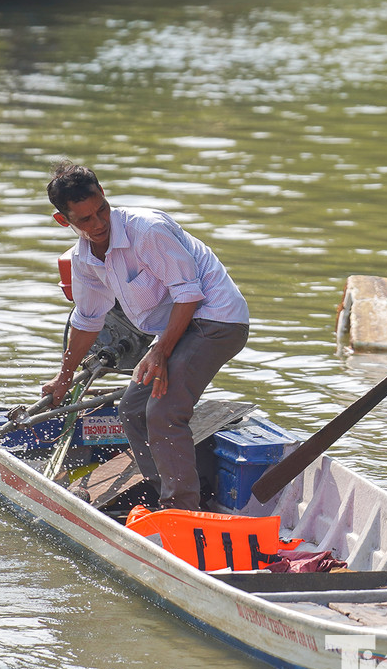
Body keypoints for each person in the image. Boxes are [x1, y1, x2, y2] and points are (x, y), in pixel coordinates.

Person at [42, 161, 251, 511]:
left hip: (216, 321)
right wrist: (63, 378)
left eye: (101, 212)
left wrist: (160, 352)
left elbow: (189, 294)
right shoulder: (84, 260)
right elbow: (88, 319)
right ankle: (165, 495)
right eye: (85, 220)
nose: (98, 224)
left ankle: (182, 510)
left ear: (104, 195)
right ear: (64, 221)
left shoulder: (148, 229)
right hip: (177, 329)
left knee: (163, 412)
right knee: (134, 409)